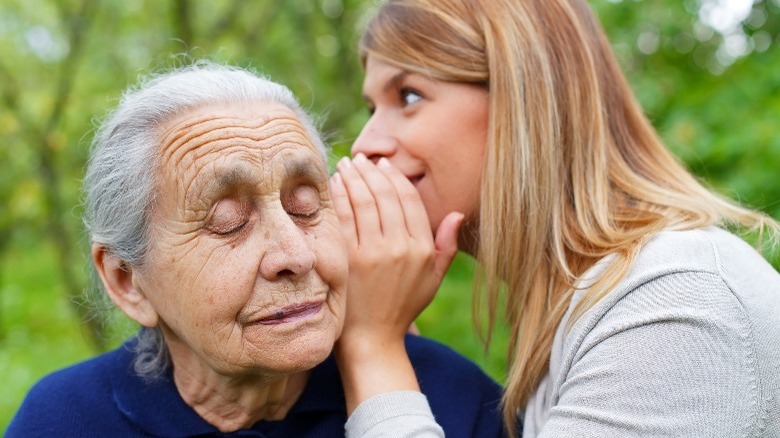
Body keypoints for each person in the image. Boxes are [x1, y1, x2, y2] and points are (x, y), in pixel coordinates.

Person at [329, 0, 780, 436]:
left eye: (408, 96)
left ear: (521, 98)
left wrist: (374, 351)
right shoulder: (581, 316)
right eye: (372, 109)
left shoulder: (676, 302)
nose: (365, 144)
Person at [6, 63, 506, 437]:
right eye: (228, 224)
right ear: (126, 281)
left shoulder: (443, 400)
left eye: (307, 206)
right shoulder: (64, 419)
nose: (295, 254)